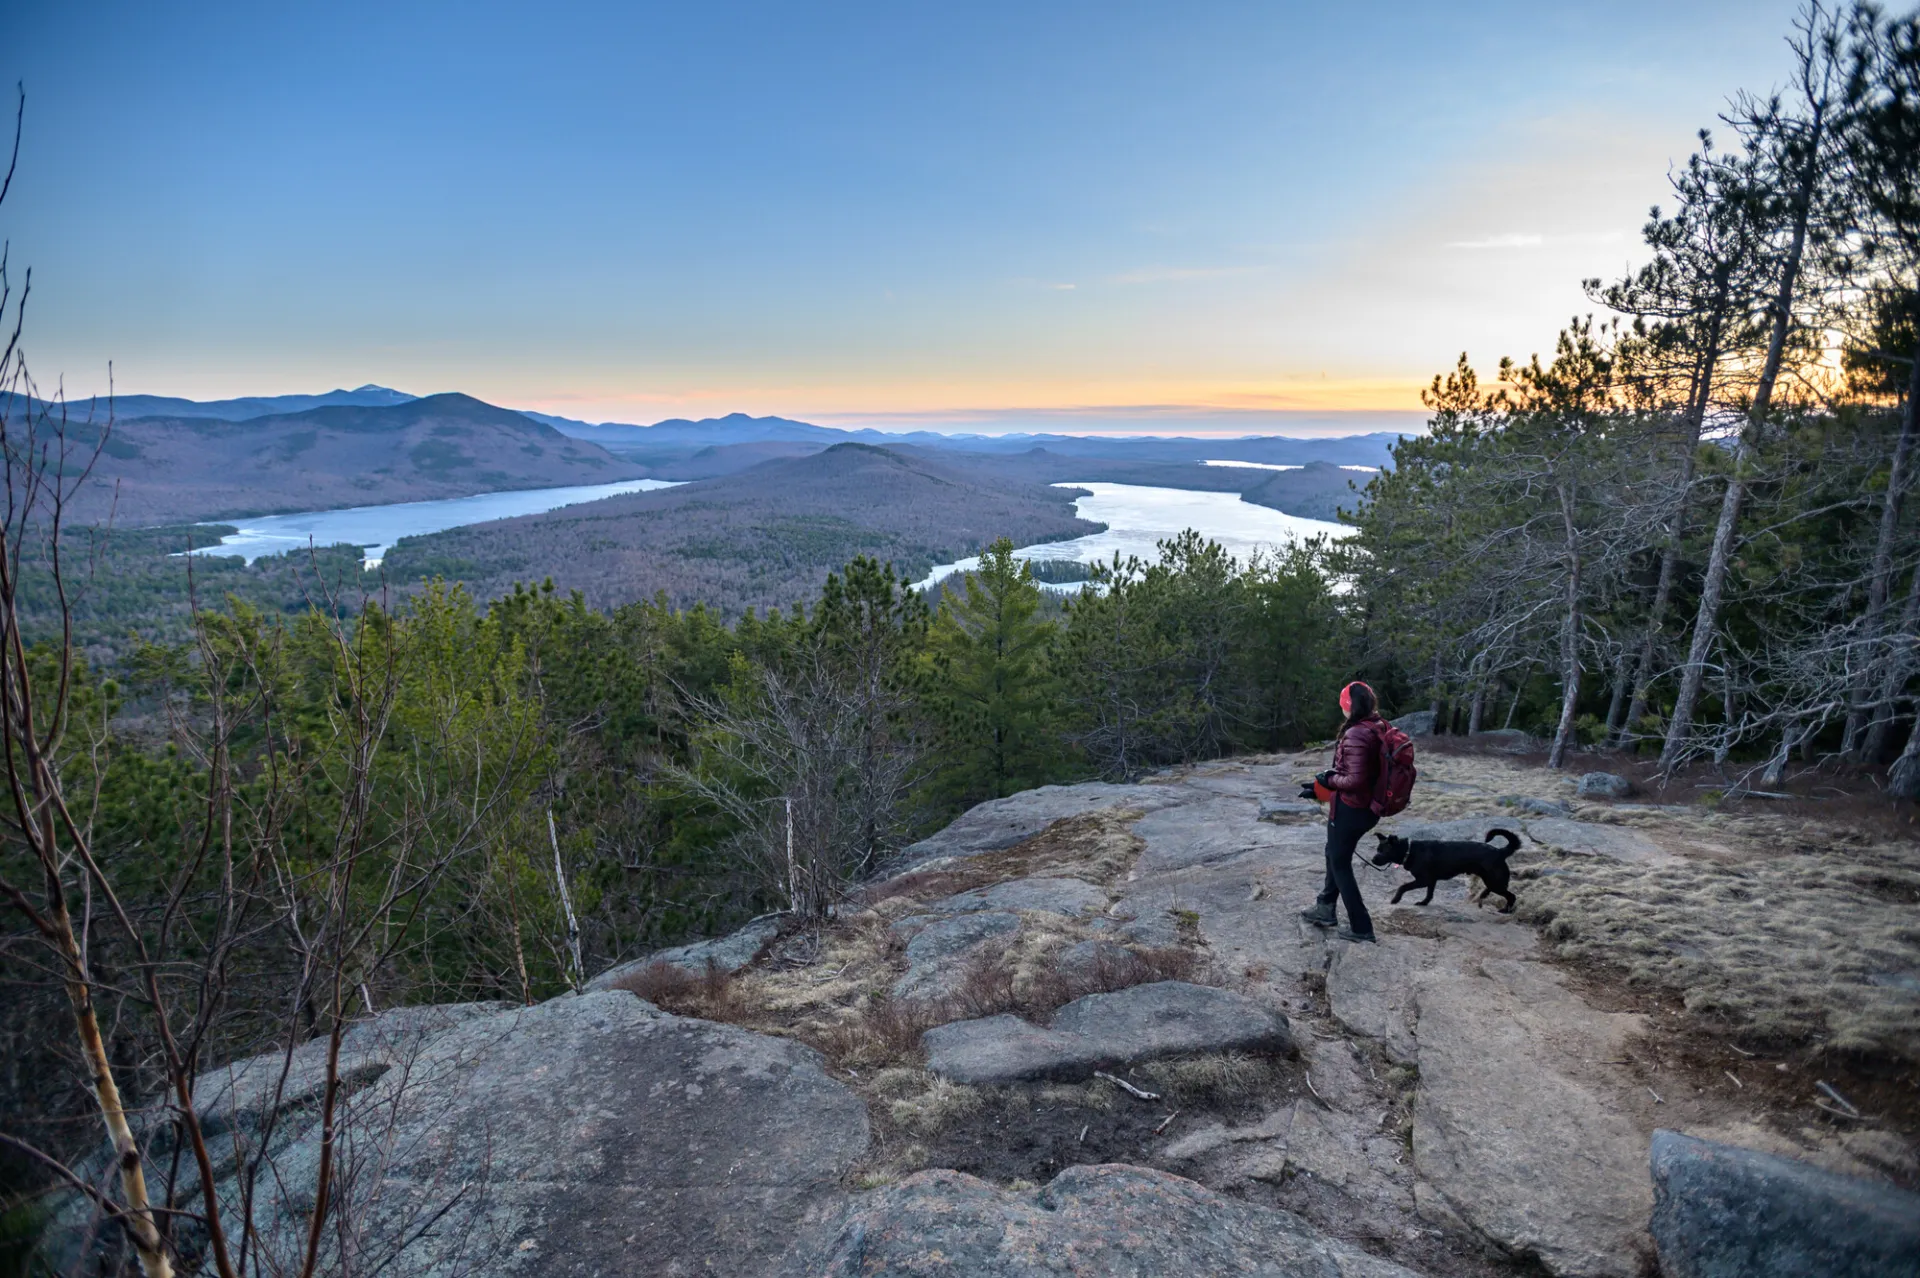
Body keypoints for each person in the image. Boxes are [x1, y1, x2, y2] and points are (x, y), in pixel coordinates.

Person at [1299, 680, 1386, 943]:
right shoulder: (1376, 725)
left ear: (1348, 705)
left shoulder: (1356, 733)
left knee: (1339, 863)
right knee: (1334, 853)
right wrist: (1319, 789)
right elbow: (1359, 773)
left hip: (1352, 809)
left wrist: (1328, 781)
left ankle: (1361, 927)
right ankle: (1325, 907)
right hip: (1365, 807)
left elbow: (1355, 780)